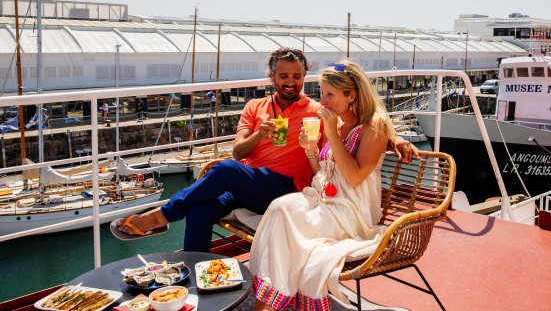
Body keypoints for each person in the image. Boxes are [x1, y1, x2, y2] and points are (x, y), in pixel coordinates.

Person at [114, 47, 419, 252]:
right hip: (249, 184)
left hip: (288, 187)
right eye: (283, 76)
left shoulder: (318, 109)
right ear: (272, 77)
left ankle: (161, 216)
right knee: (201, 209)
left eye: (297, 76)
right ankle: (201, 280)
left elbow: (362, 124)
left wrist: (396, 140)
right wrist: (259, 136)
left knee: (223, 170)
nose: (290, 82)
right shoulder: (254, 107)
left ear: (304, 77)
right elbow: (237, 152)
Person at [250, 60, 395, 310]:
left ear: (352, 95)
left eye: (330, 94)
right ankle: (272, 299)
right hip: (327, 200)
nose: (323, 101)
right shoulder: (338, 122)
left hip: (352, 212)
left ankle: (269, 304)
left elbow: (354, 178)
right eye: (321, 93)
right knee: (279, 207)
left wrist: (332, 133)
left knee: (284, 216)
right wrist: (310, 152)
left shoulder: (374, 125)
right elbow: (325, 174)